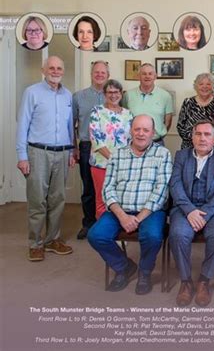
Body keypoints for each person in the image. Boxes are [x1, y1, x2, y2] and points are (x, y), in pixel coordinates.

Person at [87, 115, 172, 294]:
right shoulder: (118, 154)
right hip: (120, 210)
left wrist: (138, 218)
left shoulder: (163, 154)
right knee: (96, 235)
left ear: (153, 133)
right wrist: (122, 216)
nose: (141, 134)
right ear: (130, 131)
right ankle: (123, 267)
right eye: (137, 129)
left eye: (146, 130)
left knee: (153, 236)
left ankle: (145, 272)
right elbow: (107, 189)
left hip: (150, 211)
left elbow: (161, 190)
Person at [16, 56, 75, 262]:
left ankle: (52, 240)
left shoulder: (68, 95)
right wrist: (22, 156)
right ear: (44, 70)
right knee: (37, 200)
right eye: (52, 67)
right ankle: (35, 243)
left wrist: (71, 151)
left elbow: (70, 127)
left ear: (63, 71)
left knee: (57, 199)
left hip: (62, 152)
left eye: (59, 68)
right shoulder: (32, 92)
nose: (56, 71)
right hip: (37, 152)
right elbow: (22, 125)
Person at [169, 120, 214, 307]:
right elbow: (175, 184)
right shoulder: (181, 156)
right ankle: (186, 282)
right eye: (198, 134)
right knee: (178, 234)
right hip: (185, 207)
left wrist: (205, 213)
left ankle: (204, 280)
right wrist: (189, 211)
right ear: (192, 136)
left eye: (207, 134)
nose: (202, 138)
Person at [73, 60, 109, 239]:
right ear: (91, 74)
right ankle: (88, 223)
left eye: (103, 72)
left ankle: (106, 222)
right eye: (97, 72)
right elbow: (71, 124)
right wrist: (75, 148)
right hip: (87, 146)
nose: (100, 75)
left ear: (108, 75)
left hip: (110, 148)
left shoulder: (114, 95)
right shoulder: (79, 96)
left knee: (107, 186)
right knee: (88, 187)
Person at [89, 79, 133, 220]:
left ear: (121, 94)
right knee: (102, 199)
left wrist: (123, 161)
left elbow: (131, 140)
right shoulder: (97, 111)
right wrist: (114, 159)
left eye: (116, 92)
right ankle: (102, 232)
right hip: (101, 164)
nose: (113, 95)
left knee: (120, 200)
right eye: (110, 92)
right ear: (104, 94)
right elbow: (96, 139)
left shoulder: (128, 114)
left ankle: (119, 233)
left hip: (124, 165)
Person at [122, 63, 173, 145]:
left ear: (155, 76)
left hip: (157, 142)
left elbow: (168, 122)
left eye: (150, 74)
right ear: (138, 76)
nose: (147, 76)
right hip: (133, 142)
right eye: (144, 74)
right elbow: (123, 117)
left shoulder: (165, 96)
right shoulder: (128, 95)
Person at [177, 73, 214, 149]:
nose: (205, 87)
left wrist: (209, 140)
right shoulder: (188, 102)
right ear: (196, 86)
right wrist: (197, 140)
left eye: (208, 84)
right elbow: (180, 127)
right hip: (189, 147)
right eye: (201, 84)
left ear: (213, 87)